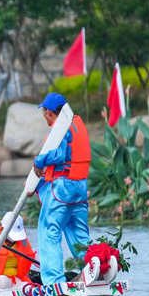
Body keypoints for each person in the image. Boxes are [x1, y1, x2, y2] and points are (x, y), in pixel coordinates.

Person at [32, 92, 91, 285]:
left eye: (44, 112)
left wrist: (39, 160)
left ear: (49, 112)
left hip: (63, 189)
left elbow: (58, 156)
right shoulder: (76, 124)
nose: (43, 116)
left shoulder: (60, 127)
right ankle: (94, 269)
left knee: (49, 231)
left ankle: (53, 281)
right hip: (80, 188)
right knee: (79, 234)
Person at [0, 212, 37, 293]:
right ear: (2, 227)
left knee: (28, 287)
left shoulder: (22, 241)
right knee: (3, 281)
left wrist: (45, 264)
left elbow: (33, 255)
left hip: (15, 280)